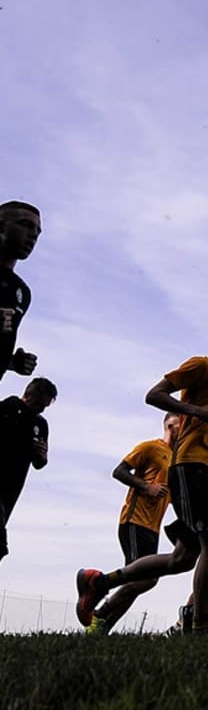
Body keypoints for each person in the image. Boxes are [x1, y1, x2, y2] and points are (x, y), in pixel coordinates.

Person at [76, 309, 208, 634]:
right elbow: (154, 395)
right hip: (189, 465)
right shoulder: (201, 365)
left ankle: (99, 581)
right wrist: (193, 409)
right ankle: (200, 625)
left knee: (183, 559)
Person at [76, 412, 181, 633]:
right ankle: (97, 601)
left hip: (153, 526)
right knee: (144, 578)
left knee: (143, 580)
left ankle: (102, 626)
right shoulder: (149, 447)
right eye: (182, 422)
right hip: (135, 520)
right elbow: (119, 471)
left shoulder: (177, 458)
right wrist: (146, 487)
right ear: (170, 424)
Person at [0, 377, 56, 560]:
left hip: (12, 489)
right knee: (0, 545)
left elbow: (39, 463)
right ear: (29, 395)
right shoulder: (9, 407)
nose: (41, 409)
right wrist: (26, 445)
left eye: (45, 406)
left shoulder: (40, 424)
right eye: (39, 404)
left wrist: (41, 455)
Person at [0, 200, 42, 382]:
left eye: (37, 232)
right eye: (25, 225)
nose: (33, 235)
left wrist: (11, 362)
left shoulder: (20, 292)